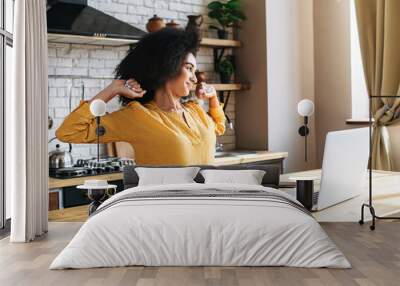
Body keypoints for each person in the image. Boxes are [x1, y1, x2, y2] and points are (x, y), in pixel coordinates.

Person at [56, 28, 226, 166]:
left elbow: (219, 127)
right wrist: (112, 90)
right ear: (168, 66)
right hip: (166, 207)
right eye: (189, 68)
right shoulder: (138, 116)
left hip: (206, 205)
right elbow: (69, 132)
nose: (195, 78)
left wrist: (213, 99)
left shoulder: (194, 110)